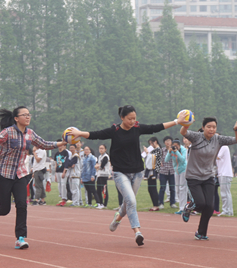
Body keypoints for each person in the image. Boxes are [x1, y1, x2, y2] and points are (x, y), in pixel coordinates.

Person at [68, 105, 182, 246]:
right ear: (122, 118)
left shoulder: (137, 128)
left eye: (134, 118)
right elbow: (96, 134)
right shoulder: (114, 130)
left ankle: (118, 218)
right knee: (132, 202)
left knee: (128, 201)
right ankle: (137, 232)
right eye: (129, 119)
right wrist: (80, 133)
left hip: (138, 172)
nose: (133, 121)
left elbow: (156, 127)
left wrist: (177, 121)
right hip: (120, 172)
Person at [0, 106, 65, 249]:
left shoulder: (30, 134)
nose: (28, 117)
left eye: (29, 114)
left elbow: (44, 144)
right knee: (5, 209)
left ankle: (20, 238)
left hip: (20, 174)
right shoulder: (8, 132)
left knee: (22, 205)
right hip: (4, 173)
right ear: (16, 118)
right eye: (24, 115)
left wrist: (60, 143)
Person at [180, 117, 237, 239]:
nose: (211, 129)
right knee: (200, 203)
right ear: (203, 128)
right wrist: (186, 123)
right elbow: (183, 132)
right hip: (193, 176)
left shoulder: (218, 139)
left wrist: (236, 130)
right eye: (209, 127)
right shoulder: (196, 137)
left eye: (214, 127)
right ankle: (189, 207)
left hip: (208, 176)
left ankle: (201, 233)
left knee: (209, 207)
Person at [165, 139, 187, 215]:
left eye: (177, 146)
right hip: (176, 171)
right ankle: (181, 208)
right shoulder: (171, 150)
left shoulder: (183, 149)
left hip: (183, 170)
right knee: (177, 189)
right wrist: (169, 152)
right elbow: (166, 160)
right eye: (174, 146)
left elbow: (183, 160)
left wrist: (176, 151)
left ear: (179, 145)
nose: (175, 147)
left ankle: (183, 208)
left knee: (182, 189)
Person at [143, 137, 162, 211]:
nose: (151, 145)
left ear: (155, 142)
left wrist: (147, 152)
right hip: (150, 170)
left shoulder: (158, 149)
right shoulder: (154, 150)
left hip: (154, 170)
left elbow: (152, 158)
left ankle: (156, 205)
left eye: (151, 143)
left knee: (153, 188)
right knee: (150, 188)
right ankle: (155, 204)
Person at [158, 136, 176, 209]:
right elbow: (158, 160)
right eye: (166, 141)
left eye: (169, 141)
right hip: (163, 172)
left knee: (172, 188)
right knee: (162, 188)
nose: (168, 142)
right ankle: (161, 203)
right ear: (164, 142)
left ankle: (172, 203)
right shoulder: (162, 150)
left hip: (172, 172)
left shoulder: (174, 150)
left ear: (171, 142)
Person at [216, 145, 234, 216]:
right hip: (221, 173)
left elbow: (217, 157)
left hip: (225, 173)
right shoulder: (219, 148)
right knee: (224, 193)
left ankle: (228, 210)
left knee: (225, 193)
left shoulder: (224, 147)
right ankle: (226, 210)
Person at [53, 140, 70, 206]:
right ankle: (61, 198)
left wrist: (64, 172)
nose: (60, 146)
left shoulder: (65, 152)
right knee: (59, 185)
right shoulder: (57, 154)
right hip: (58, 171)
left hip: (63, 171)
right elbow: (56, 164)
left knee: (63, 185)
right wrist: (55, 174)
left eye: (61, 145)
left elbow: (66, 162)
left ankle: (64, 199)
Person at [95, 144, 110, 209]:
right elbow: (97, 165)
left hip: (104, 175)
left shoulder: (106, 156)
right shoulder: (99, 156)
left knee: (104, 190)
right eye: (100, 148)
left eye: (102, 148)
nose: (101, 150)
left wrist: (98, 166)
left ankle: (105, 204)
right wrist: (98, 166)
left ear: (105, 149)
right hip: (99, 175)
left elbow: (101, 166)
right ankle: (100, 203)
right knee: (98, 190)